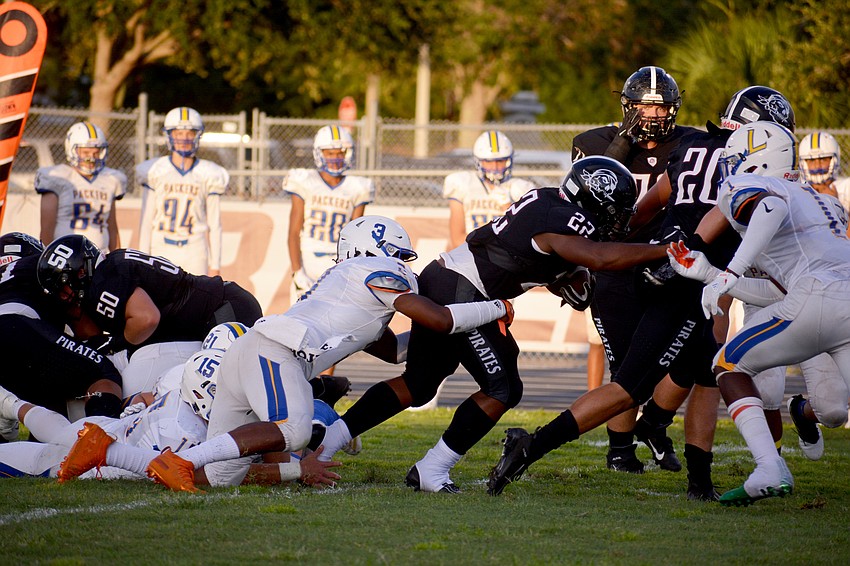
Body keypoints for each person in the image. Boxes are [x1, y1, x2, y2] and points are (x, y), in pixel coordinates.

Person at [57, 215, 514, 491]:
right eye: (400, 257)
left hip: (256, 351)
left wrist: (448, 337)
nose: (404, 265)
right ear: (381, 251)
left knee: (222, 479)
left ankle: (105, 450)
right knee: (293, 430)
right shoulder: (375, 268)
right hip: (276, 352)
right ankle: (183, 459)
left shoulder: (349, 289)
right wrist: (496, 305)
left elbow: (395, 350)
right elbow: (438, 319)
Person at [316, 157, 672, 494]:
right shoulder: (561, 219)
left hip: (449, 279)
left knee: (420, 383)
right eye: (615, 212)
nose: (619, 221)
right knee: (502, 387)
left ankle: (330, 440)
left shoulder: (551, 203)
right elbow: (600, 257)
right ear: (592, 200)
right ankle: (433, 467)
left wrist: (561, 276)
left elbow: (530, 255)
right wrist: (666, 250)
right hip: (462, 289)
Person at [614, 85, 798, 500]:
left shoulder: (691, 142)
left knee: (704, 356)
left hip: (679, 252)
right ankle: (676, 451)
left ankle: (656, 427)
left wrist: (636, 244)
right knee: (711, 360)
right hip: (710, 258)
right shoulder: (743, 153)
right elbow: (726, 209)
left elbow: (652, 202)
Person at [665, 121, 850, 506]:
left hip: (816, 296)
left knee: (728, 366)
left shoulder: (754, 189)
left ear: (756, 162)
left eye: (734, 160)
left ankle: (769, 466)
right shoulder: (825, 201)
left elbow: (770, 205)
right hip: (835, 299)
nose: (728, 169)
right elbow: (779, 291)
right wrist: (710, 274)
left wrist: (730, 271)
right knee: (833, 407)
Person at [572, 65, 700, 474]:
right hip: (614, 264)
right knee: (624, 364)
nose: (653, 115)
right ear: (627, 105)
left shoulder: (690, 144)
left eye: (662, 108)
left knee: (691, 356)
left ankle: (656, 424)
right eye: (645, 105)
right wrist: (623, 142)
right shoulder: (593, 142)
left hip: (669, 264)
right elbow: (589, 194)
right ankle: (620, 450)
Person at [35, 234, 263, 394]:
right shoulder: (112, 265)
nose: (64, 296)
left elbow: (146, 319)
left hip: (223, 311)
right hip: (223, 305)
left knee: (225, 389)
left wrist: (119, 342)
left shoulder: (104, 280)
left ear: (81, 271)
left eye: (64, 287)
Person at [0, 232, 125, 429]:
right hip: (15, 326)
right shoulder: (43, 267)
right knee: (102, 374)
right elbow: (87, 331)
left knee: (52, 389)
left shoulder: (11, 278)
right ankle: (101, 444)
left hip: (14, 339)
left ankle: (43, 453)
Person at [285, 125, 374, 305]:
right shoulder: (305, 181)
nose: (335, 158)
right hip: (308, 258)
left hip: (338, 262)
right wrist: (297, 272)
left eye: (339, 153)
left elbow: (355, 236)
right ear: (319, 153)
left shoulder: (357, 187)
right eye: (329, 153)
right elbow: (293, 233)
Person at [137, 107, 228, 276]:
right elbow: (146, 221)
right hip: (160, 246)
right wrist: (143, 258)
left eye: (189, 133)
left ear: (197, 136)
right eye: (179, 133)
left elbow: (215, 225)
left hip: (195, 248)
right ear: (169, 135)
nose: (184, 139)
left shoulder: (209, 173)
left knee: (195, 300)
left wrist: (215, 265)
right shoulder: (155, 170)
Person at [35, 122, 126, 252]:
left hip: (100, 255)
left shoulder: (110, 180)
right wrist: (46, 257)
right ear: (71, 149)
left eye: (96, 152)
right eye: (86, 152)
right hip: (66, 256)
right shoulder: (58, 178)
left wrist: (117, 259)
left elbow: (112, 227)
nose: (92, 158)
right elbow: (46, 229)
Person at [444, 130, 535, 249]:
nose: (495, 167)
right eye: (488, 161)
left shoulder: (521, 188)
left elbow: (527, 235)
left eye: (500, 161)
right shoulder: (463, 183)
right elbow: (456, 239)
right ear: (479, 161)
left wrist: (509, 207)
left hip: (507, 257)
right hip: (470, 254)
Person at [799, 131, 850, 219]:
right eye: (811, 160)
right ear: (803, 163)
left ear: (834, 160)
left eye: (822, 159)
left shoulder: (846, 188)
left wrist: (837, 206)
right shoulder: (797, 190)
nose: (817, 165)